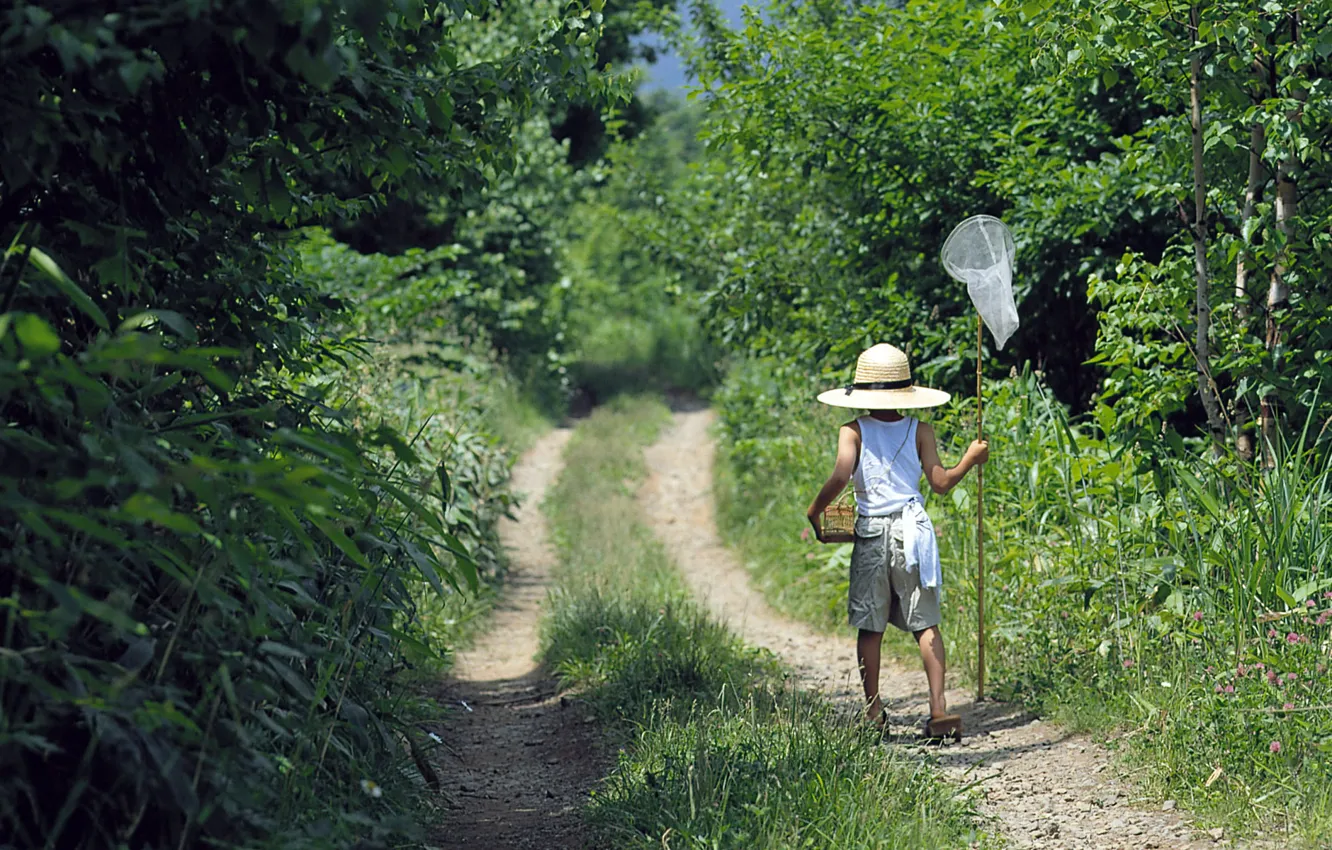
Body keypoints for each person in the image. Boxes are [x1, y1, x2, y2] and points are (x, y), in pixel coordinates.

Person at [805, 343, 988, 740]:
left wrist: (815, 510)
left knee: (871, 627)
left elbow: (840, 477)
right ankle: (939, 712)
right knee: (926, 623)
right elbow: (939, 484)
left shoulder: (852, 430)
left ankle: (873, 713)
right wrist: (970, 459)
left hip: (871, 531)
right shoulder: (920, 430)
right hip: (912, 532)